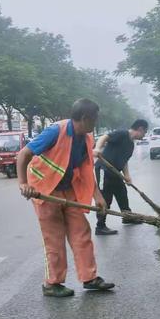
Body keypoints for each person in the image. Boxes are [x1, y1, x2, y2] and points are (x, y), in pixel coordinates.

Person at [16, 99, 114, 297]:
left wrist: (98, 196)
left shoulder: (86, 139)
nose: (96, 122)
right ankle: (52, 284)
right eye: (95, 119)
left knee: (81, 233)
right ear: (85, 118)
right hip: (45, 189)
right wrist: (24, 183)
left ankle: (89, 277)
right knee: (54, 238)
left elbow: (86, 170)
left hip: (69, 190)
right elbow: (23, 154)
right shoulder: (56, 131)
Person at [93, 119, 148, 235]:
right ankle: (100, 226)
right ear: (140, 129)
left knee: (122, 193)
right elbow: (104, 137)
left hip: (115, 172)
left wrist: (127, 176)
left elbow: (124, 161)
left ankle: (127, 216)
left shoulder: (131, 145)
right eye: (145, 132)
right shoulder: (122, 134)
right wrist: (98, 149)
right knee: (105, 197)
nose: (144, 135)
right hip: (103, 170)